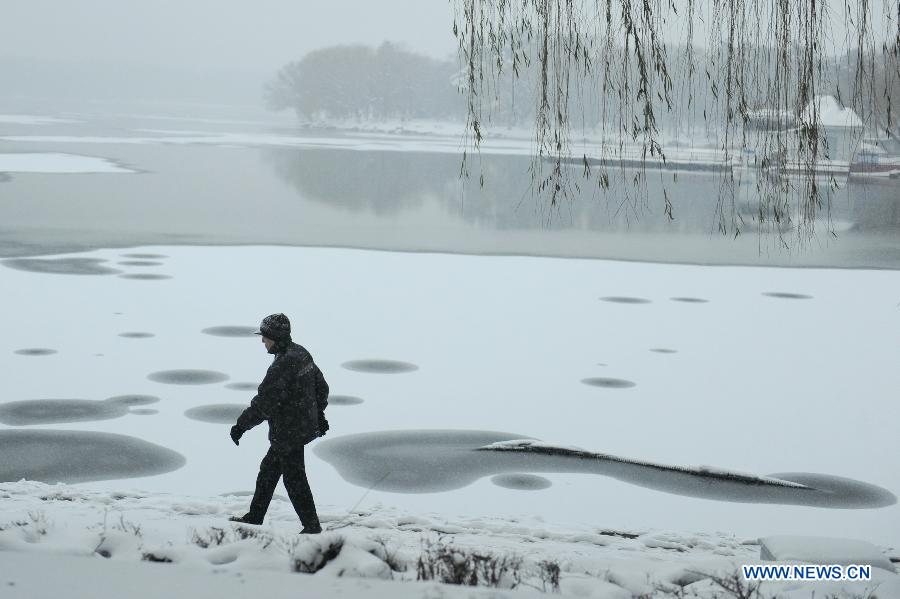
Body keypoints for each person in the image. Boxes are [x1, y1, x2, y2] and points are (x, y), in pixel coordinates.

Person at [229, 313, 329, 534]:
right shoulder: (301, 353)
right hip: (299, 427)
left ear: (275, 336)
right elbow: (321, 387)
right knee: (269, 471)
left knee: (294, 479)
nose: (262, 341)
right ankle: (255, 516)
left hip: (288, 431)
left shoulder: (283, 365)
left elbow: (264, 404)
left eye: (265, 336)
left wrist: (240, 426)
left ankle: (312, 527)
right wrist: (318, 414)